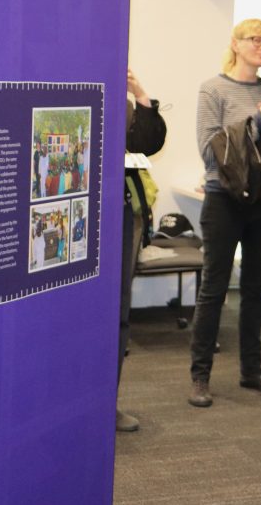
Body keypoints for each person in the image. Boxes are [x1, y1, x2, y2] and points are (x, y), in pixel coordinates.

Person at [189, 18, 261, 408]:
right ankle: (200, 376)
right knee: (213, 289)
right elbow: (208, 148)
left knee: (254, 289)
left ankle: (251, 370)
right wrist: (255, 125)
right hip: (224, 197)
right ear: (235, 43)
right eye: (256, 40)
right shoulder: (213, 88)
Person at [118, 68, 167, 432]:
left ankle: (109, 400)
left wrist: (140, 96)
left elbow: (147, 143)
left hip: (123, 214)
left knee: (117, 312)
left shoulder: (127, 102)